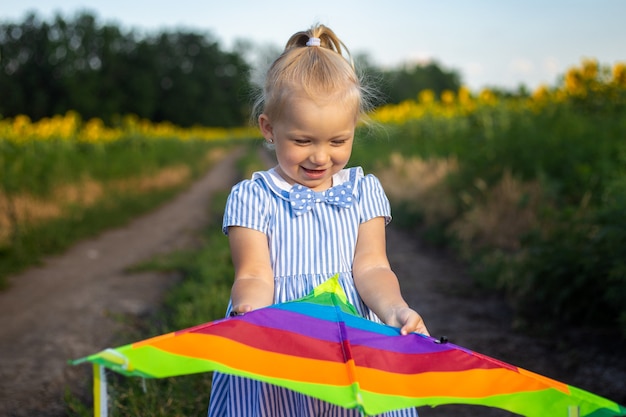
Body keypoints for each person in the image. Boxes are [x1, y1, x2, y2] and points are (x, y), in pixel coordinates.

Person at [208, 24, 429, 417]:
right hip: (281, 332)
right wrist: (251, 315)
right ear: (269, 129)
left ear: (353, 131)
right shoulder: (253, 197)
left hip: (351, 334)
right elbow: (255, 274)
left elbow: (373, 266)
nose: (320, 157)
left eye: (338, 141)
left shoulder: (363, 190)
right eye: (303, 141)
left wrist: (395, 309)